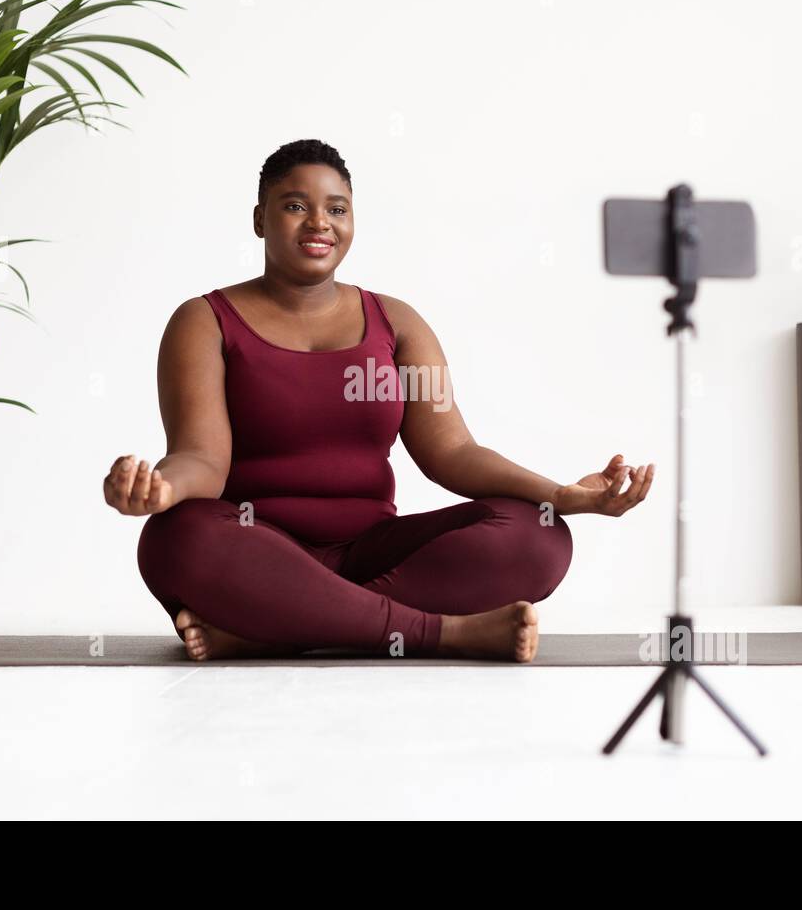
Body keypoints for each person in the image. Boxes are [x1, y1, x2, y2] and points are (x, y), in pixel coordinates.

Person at [105, 139, 654, 662]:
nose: (319, 222)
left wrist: (561, 494)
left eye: (337, 209)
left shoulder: (397, 323)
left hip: (373, 550)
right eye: (295, 205)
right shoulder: (203, 321)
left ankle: (278, 629)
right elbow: (204, 458)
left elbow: (454, 451)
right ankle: (445, 634)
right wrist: (162, 488)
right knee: (176, 538)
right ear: (259, 220)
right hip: (254, 546)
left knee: (540, 533)